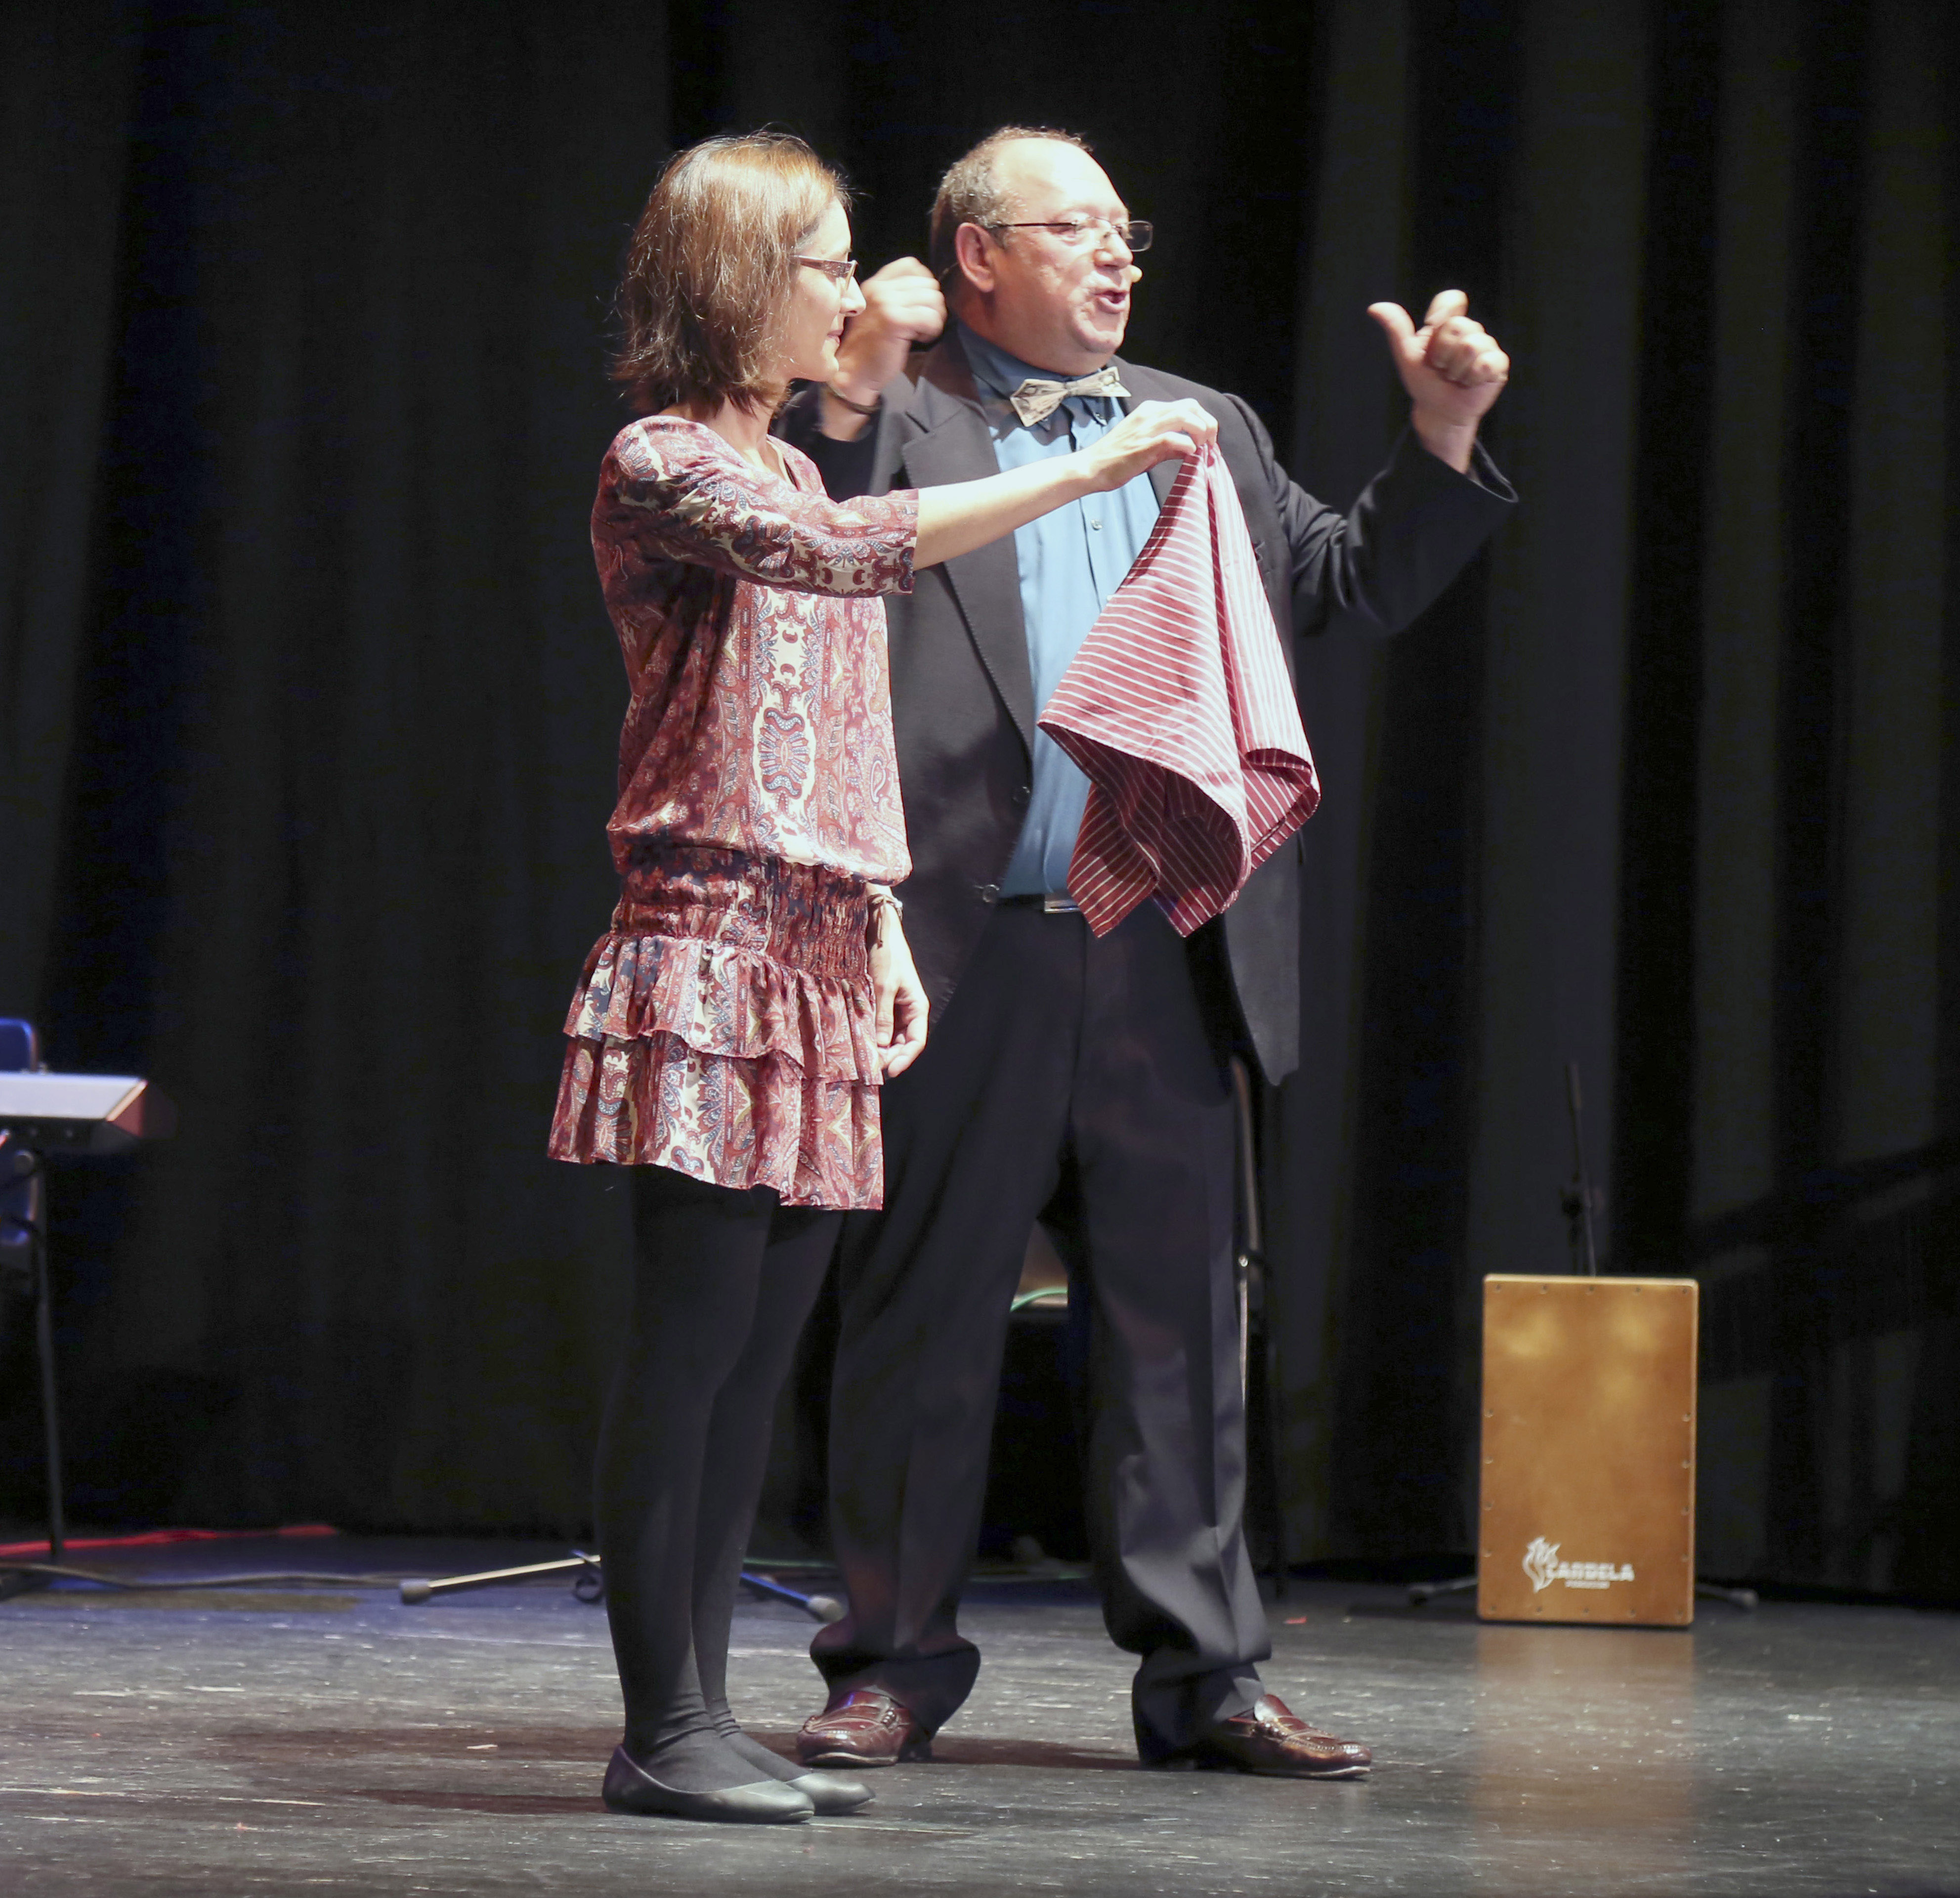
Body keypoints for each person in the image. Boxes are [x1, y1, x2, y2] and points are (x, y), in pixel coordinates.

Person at [775, 125, 1514, 1777]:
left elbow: (1345, 583)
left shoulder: (1206, 427)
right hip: (959, 947)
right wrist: (853, 379)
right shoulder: (891, 415)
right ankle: (889, 1666)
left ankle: (1209, 1679)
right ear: (978, 255)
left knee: (1183, 1332)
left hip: (1169, 944)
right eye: (1077, 229)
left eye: (1129, 231)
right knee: (920, 1321)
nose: (1119, 256)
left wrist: (1442, 438)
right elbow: (800, 556)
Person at [550, 130, 1218, 1826]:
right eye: (830, 264)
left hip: (824, 954)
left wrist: (885, 921)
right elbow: (855, 559)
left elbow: (844, 723)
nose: (856, 291)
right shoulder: (663, 464)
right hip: (711, 946)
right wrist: (1082, 473)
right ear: (742, 281)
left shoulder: (790, 467)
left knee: (759, 1368)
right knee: (693, 1350)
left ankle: (703, 1715)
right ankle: (658, 1727)